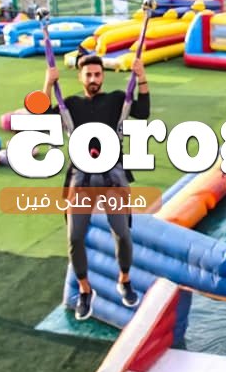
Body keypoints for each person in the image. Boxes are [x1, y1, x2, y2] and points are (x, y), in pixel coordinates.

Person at [44, 54, 150, 321]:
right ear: (80, 77)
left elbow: (143, 112)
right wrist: (48, 84)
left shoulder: (116, 100)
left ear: (103, 76)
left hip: (112, 175)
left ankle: (124, 279)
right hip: (82, 177)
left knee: (122, 233)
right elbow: (42, 118)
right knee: (75, 238)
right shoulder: (71, 105)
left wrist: (142, 78)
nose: (93, 79)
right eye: (88, 75)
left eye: (97, 75)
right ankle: (85, 289)